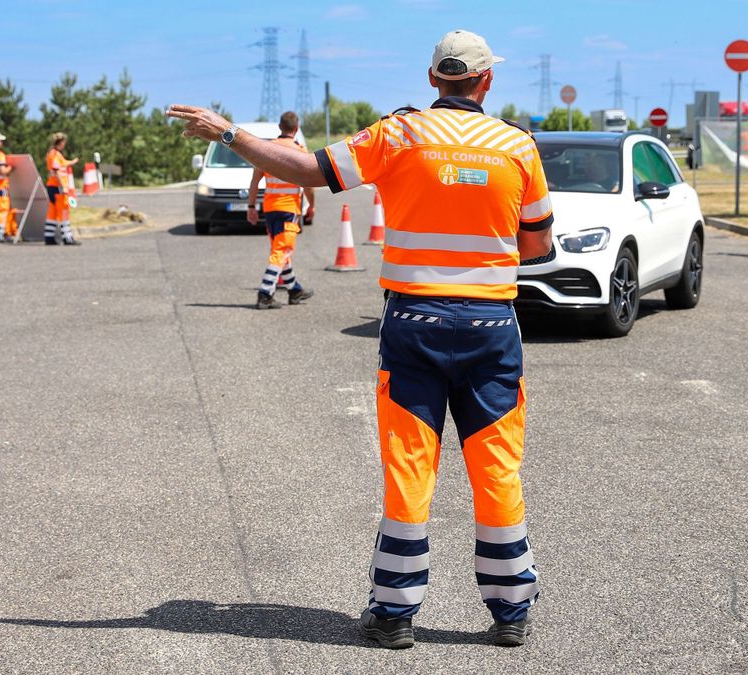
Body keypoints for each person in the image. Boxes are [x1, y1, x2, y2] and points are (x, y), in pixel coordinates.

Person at [167, 29, 553, 649]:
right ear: (486, 81)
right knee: (496, 469)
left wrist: (228, 132)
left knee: (409, 469)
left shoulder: (398, 135)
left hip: (413, 326)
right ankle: (510, 614)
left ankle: (395, 614)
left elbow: (305, 169)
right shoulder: (517, 147)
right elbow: (537, 243)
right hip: (491, 329)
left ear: (433, 80)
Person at [246, 111, 315, 309]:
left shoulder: (265, 150)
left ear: (279, 127)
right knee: (281, 251)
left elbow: (254, 181)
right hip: (289, 209)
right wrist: (312, 205)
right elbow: (308, 184)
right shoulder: (299, 151)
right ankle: (265, 294)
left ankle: (294, 290)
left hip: (269, 209)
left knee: (280, 251)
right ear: (297, 128)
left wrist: (251, 206)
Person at [44, 132, 81, 245]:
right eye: (64, 142)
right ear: (60, 142)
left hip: (52, 186)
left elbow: (63, 163)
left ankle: (49, 236)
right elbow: (56, 171)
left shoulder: (53, 154)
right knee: (64, 211)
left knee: (53, 212)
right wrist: (63, 186)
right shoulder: (55, 155)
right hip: (58, 187)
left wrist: (72, 162)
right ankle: (67, 237)